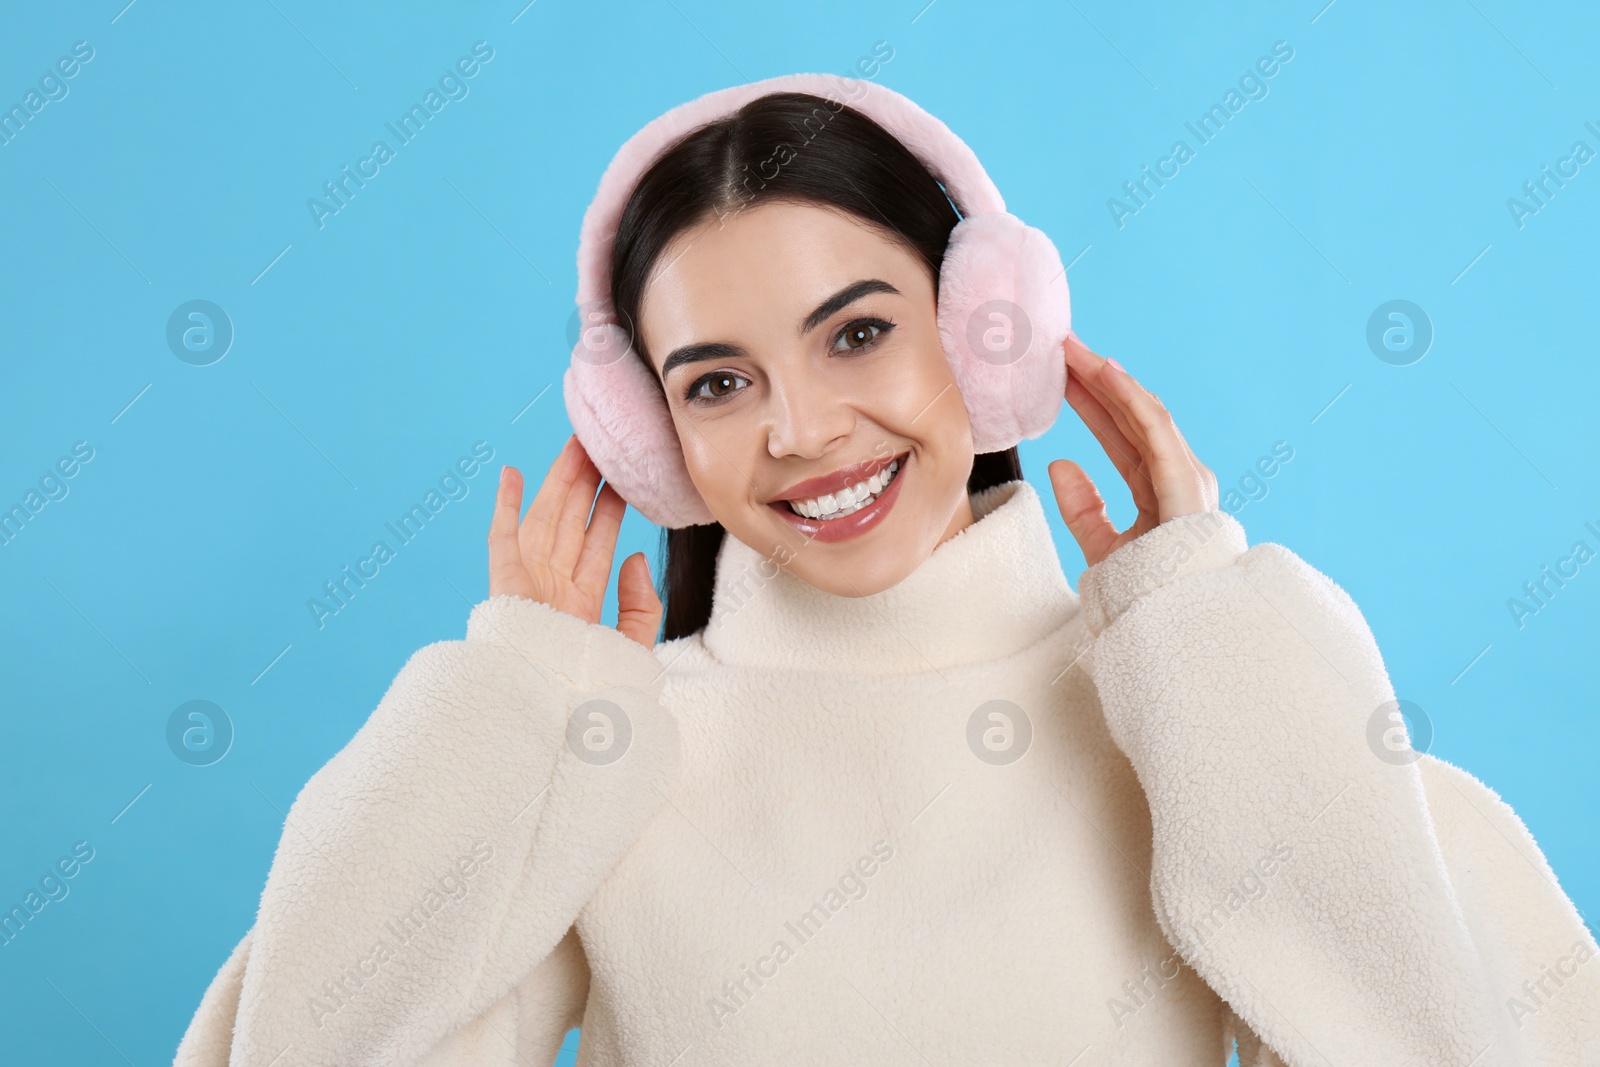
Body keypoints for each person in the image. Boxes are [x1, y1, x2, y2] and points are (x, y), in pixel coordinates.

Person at [175, 74, 1599, 1067]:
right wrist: (508, 713)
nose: (800, 431)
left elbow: (1440, 1039)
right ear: (649, 437)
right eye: (718, 382)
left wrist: (1223, 640)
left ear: (988, 328)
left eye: (856, 334)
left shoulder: (1193, 702)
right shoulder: (606, 750)